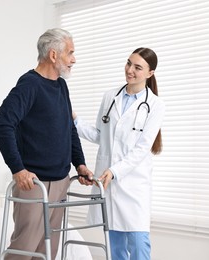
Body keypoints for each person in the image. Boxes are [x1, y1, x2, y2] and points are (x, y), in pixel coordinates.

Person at [0, 28, 93, 260]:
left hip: (60, 180)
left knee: (47, 252)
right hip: (34, 184)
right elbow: (1, 125)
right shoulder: (30, 85)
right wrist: (18, 169)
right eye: (70, 53)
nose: (74, 59)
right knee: (24, 248)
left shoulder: (61, 86)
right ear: (54, 55)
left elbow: (69, 128)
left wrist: (80, 164)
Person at [74, 47, 165, 260]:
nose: (130, 70)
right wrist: (75, 121)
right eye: (128, 63)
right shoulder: (110, 97)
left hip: (133, 183)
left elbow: (142, 148)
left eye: (137, 67)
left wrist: (115, 171)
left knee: (139, 244)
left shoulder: (155, 105)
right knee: (114, 245)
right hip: (108, 182)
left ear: (150, 73)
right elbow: (100, 135)